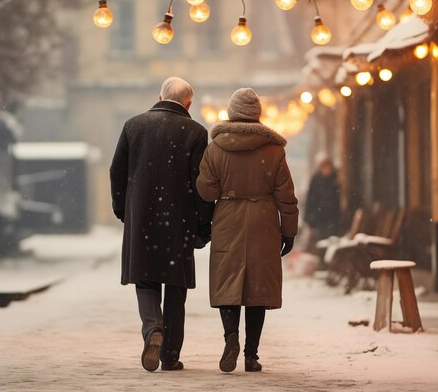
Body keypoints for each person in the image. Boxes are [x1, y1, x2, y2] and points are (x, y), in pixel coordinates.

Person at [110, 77, 215, 372]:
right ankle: (169, 355)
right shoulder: (196, 132)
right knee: (176, 287)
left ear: (159, 96)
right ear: (188, 103)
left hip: (141, 216)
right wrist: (203, 224)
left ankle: (152, 328)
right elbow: (201, 184)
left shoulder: (133, 126)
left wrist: (123, 209)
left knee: (145, 280)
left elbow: (117, 171)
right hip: (179, 221)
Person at [196, 88, 299, 373]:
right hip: (264, 222)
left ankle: (231, 338)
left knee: (227, 281)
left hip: (228, 218)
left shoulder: (216, 147)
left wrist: (225, 187)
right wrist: (288, 231)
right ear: (257, 114)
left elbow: (206, 190)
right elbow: (286, 196)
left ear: (231, 112)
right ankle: (251, 355)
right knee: (258, 289)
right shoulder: (274, 150)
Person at [304, 153, 340, 248]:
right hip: (318, 217)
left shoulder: (334, 180)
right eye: (324, 167)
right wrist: (309, 217)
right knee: (319, 243)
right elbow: (310, 199)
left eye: (328, 167)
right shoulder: (316, 180)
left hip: (331, 217)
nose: (326, 170)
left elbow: (337, 200)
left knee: (329, 242)